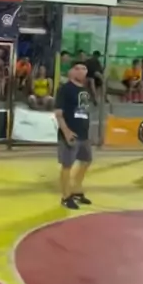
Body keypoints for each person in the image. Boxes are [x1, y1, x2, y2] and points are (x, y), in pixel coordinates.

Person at [54, 60, 92, 211]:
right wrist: (66, 131)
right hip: (70, 133)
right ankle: (65, 196)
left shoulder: (85, 90)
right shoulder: (65, 89)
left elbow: (84, 111)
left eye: (84, 68)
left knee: (86, 161)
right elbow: (58, 113)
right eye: (77, 68)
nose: (81, 71)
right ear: (71, 72)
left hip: (83, 133)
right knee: (67, 165)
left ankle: (76, 189)